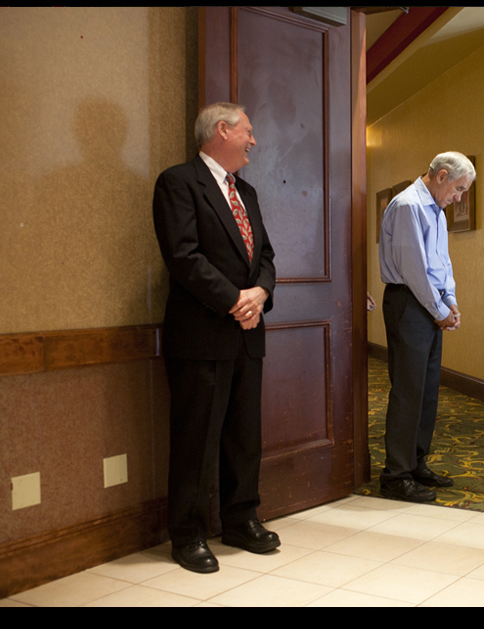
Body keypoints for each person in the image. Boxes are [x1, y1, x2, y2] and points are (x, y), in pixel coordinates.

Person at [152, 102, 280, 573]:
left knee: (245, 435)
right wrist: (235, 300)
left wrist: (260, 293)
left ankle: (241, 519)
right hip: (203, 334)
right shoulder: (178, 183)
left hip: (248, 335)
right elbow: (183, 257)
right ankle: (187, 535)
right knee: (196, 440)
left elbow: (264, 252)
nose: (252, 140)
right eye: (247, 131)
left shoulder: (246, 191)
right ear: (222, 130)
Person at [377, 152, 475, 502]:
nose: (459, 197)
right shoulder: (408, 206)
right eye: (459, 189)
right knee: (408, 389)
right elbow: (414, 269)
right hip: (408, 302)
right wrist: (438, 309)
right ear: (442, 176)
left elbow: (441, 263)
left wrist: (451, 301)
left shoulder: (435, 211)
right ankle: (395, 474)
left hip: (429, 304)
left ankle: (416, 462)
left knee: (427, 389)